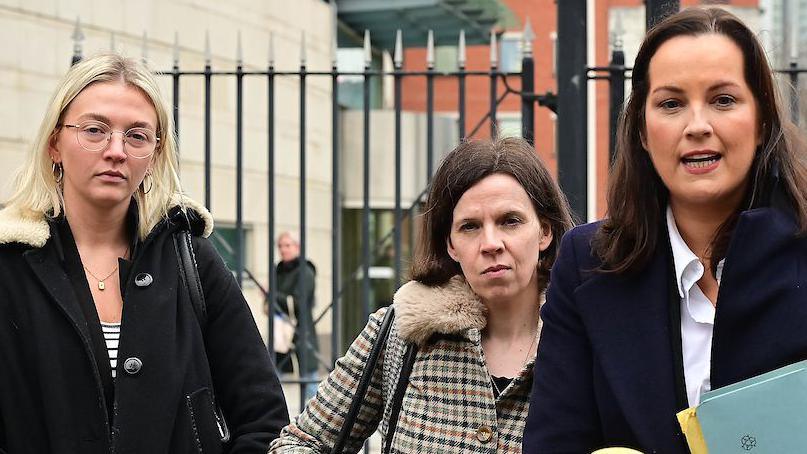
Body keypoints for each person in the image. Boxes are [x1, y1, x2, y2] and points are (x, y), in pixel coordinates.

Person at [523, 7, 807, 453]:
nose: (698, 126)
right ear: (640, 129)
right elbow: (554, 442)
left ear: (763, 122)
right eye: (671, 103)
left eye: (723, 100)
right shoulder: (586, 265)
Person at [0, 53, 289, 453]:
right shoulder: (11, 264)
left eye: (137, 136)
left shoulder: (191, 257)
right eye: (95, 130)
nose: (116, 150)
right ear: (55, 144)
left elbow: (264, 417)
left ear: (153, 156)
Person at [269, 137, 574, 453]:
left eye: (510, 221)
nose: (491, 243)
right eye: (470, 226)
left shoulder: (582, 338)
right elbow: (300, 442)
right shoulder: (404, 329)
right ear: (450, 244)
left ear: (544, 232)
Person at [274, 231, 319, 401]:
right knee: (275, 375)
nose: (283, 250)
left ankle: (316, 418)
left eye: (287, 245)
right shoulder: (278, 270)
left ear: (297, 247)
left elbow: (299, 303)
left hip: (302, 329)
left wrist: (273, 295)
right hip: (280, 330)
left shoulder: (305, 271)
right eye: (280, 246)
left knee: (309, 377)